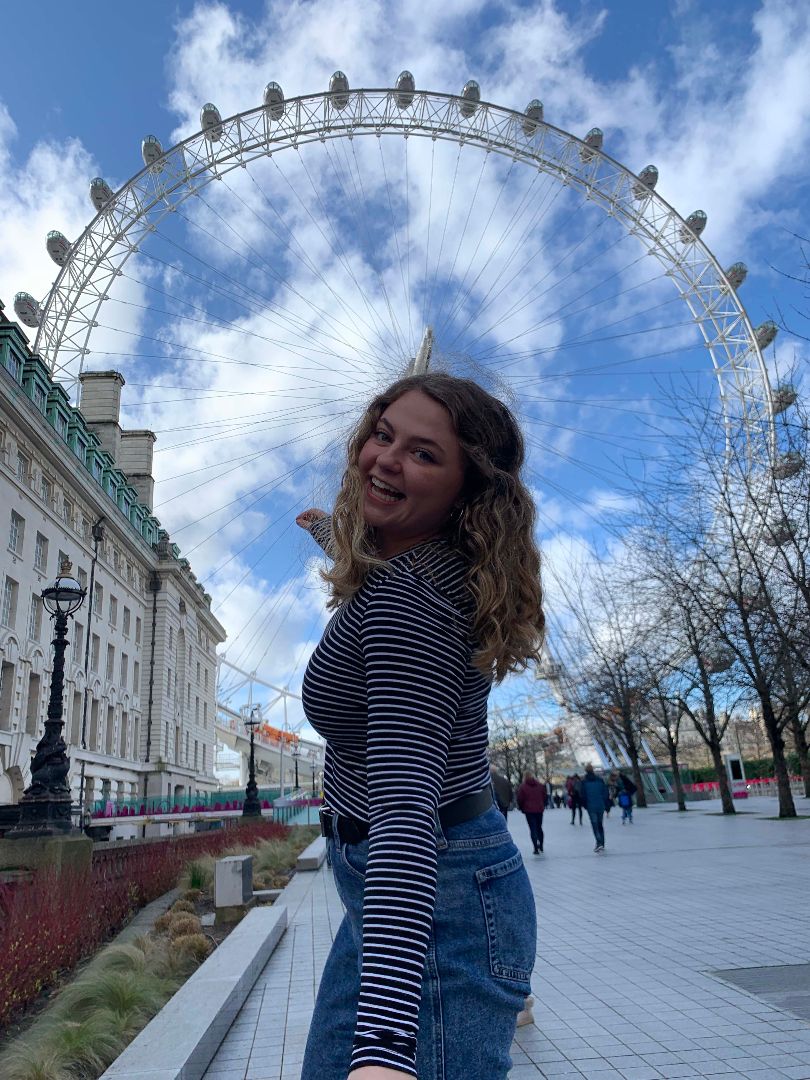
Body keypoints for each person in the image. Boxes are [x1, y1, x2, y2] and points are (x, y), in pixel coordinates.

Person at [296, 372, 545, 1080]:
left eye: (424, 455)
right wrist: (328, 531)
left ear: (466, 494)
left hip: (435, 900)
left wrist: (384, 1050)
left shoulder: (411, 606)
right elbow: (383, 596)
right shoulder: (422, 566)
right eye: (383, 435)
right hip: (403, 894)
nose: (385, 461)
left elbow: (407, 813)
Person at [580, 764, 610, 853]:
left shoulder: (584, 782)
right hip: (600, 805)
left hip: (591, 806)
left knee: (595, 825)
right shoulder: (600, 781)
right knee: (600, 824)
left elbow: (583, 795)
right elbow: (605, 793)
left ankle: (599, 842)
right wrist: (605, 804)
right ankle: (602, 843)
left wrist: (585, 805)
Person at [516, 771, 546, 854]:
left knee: (532, 829)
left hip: (528, 810)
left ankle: (535, 848)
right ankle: (542, 846)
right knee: (539, 828)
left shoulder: (523, 787)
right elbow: (544, 796)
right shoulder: (540, 786)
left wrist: (521, 807)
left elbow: (520, 799)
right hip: (539, 809)